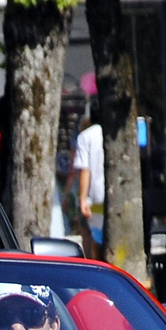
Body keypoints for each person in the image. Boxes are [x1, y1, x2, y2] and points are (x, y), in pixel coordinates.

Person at [73, 110, 105, 258]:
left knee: (90, 236)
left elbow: (84, 169)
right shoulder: (115, 133)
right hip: (113, 198)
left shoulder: (85, 136)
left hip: (94, 199)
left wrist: (82, 198)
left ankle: (92, 266)